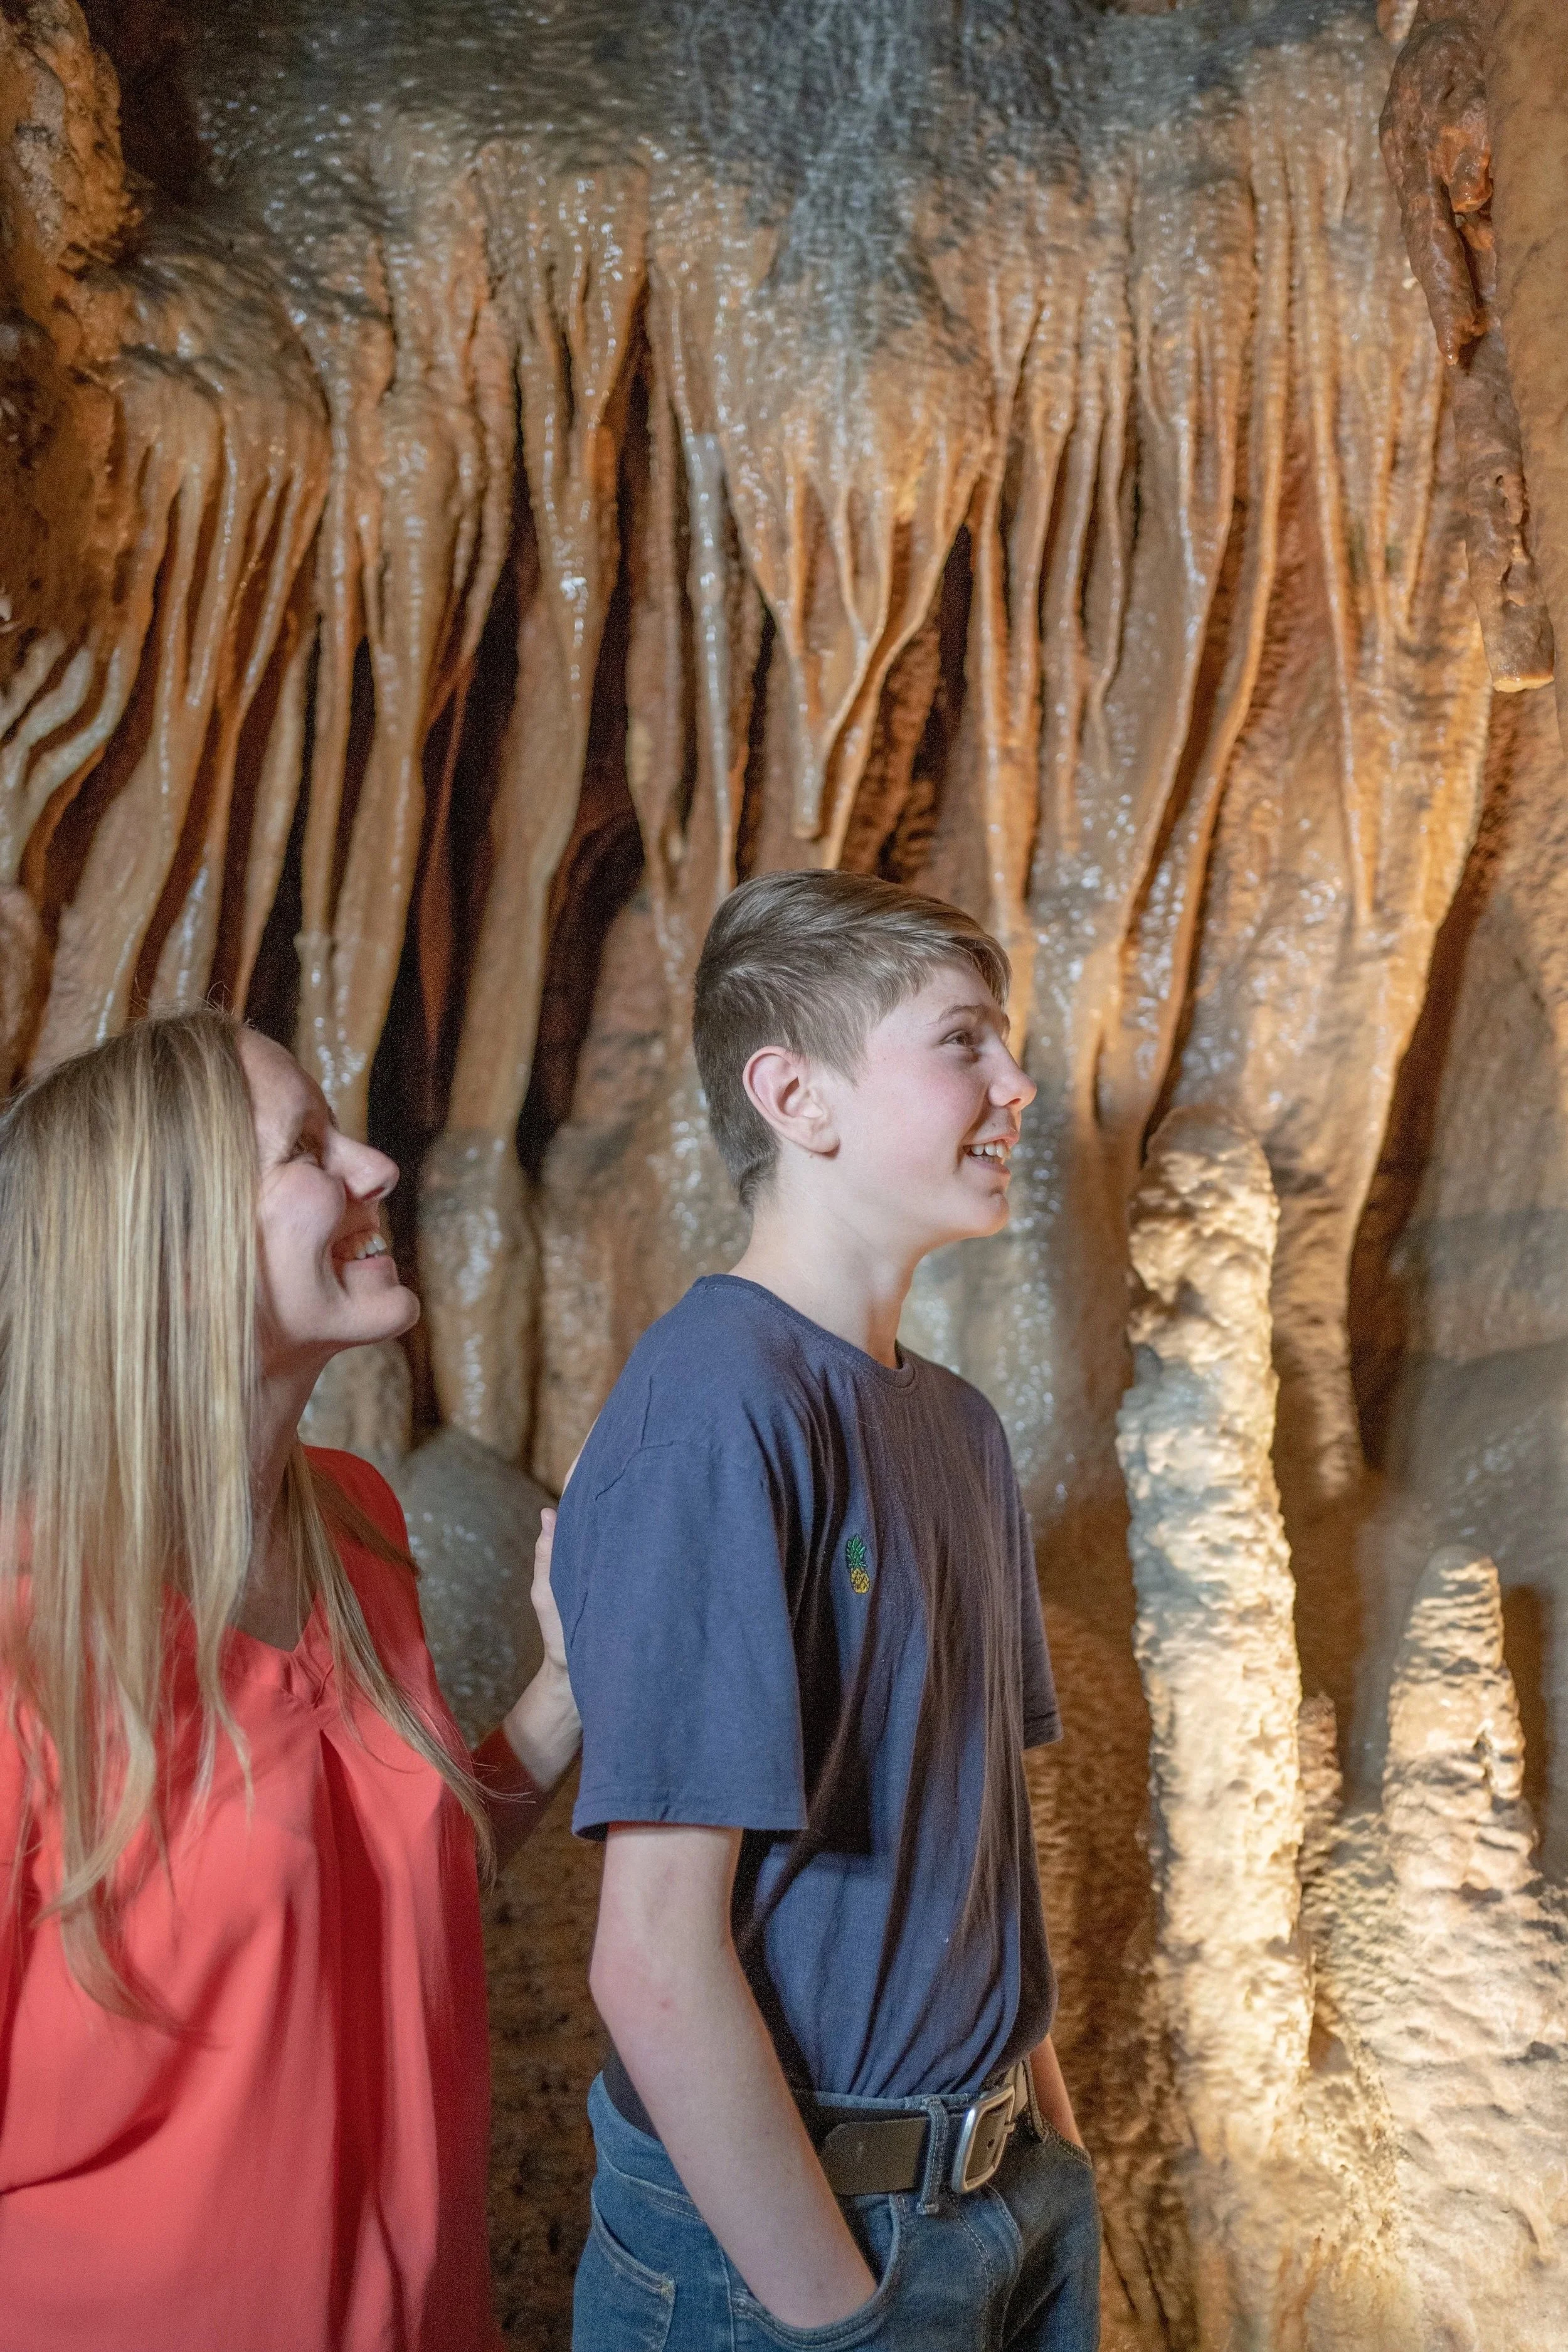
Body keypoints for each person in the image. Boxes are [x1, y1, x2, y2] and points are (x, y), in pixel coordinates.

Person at [551, 871, 1100, 2351]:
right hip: (797, 2250)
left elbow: (973, 1852)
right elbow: (652, 1951)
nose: (1016, 1083)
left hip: (1003, 2200)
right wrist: (839, 2311)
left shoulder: (960, 1431)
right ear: (796, 1097)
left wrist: (1045, 2165)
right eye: (963, 1044)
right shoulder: (716, 1407)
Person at [0, 1008, 580, 2352]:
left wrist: (572, 1684)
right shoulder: (28, 1630)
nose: (376, 1167)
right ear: (172, 1253)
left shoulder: (358, 1526)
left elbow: (377, 1888)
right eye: (307, 1148)